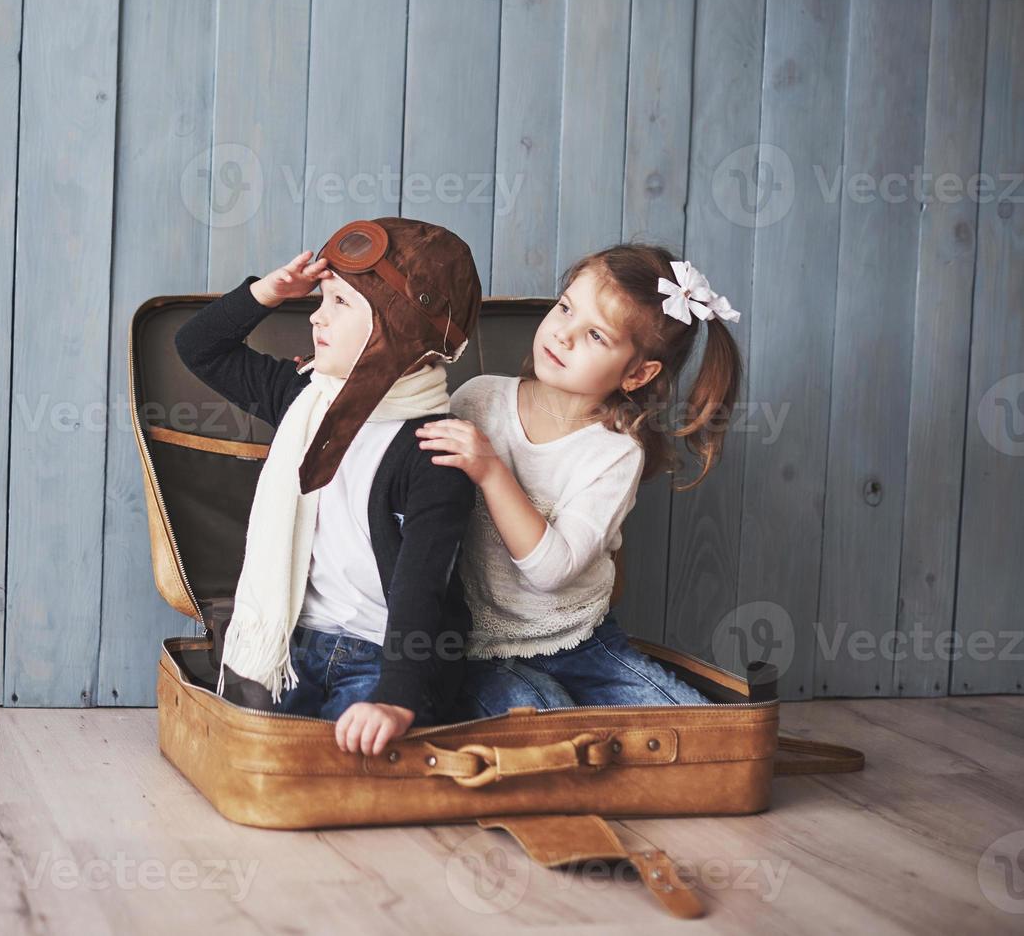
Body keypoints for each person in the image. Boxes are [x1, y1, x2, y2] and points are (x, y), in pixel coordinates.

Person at [173, 217, 481, 755]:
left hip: (381, 657)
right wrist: (266, 293)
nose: (316, 315)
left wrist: (397, 697)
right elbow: (199, 346)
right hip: (292, 645)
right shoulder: (302, 397)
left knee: (355, 756)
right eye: (323, 298)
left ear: (399, 327)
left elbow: (422, 590)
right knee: (246, 751)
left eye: (341, 302)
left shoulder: (433, 451)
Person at [417, 243, 743, 714]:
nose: (564, 334)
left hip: (580, 643)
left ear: (637, 373)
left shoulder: (614, 452)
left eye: (596, 335)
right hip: (477, 650)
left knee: (699, 729)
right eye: (566, 307)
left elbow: (552, 571)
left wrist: (490, 470)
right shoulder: (479, 400)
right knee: (542, 715)